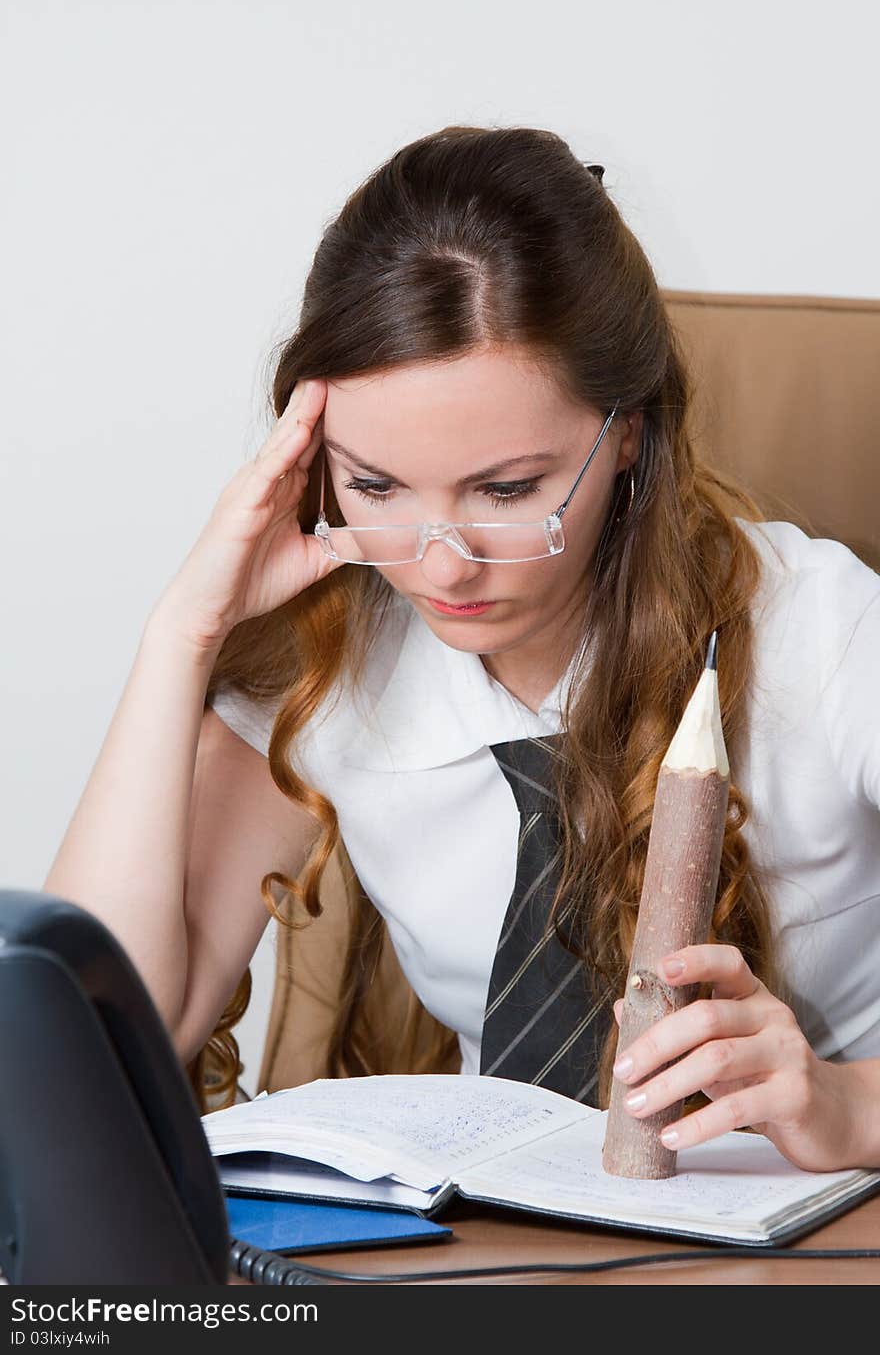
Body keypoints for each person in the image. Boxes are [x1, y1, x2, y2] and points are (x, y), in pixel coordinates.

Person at [45, 124, 880, 1173]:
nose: (439, 567)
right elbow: (97, 1053)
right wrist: (182, 634)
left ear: (626, 435)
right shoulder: (333, 659)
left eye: (506, 491)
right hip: (503, 1244)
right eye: (378, 488)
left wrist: (848, 1105)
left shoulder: (826, 631)